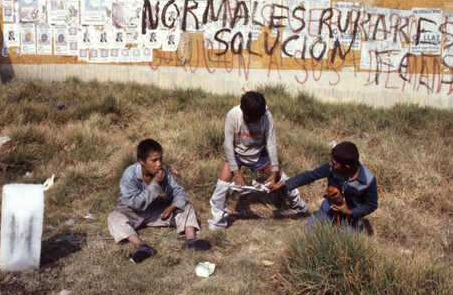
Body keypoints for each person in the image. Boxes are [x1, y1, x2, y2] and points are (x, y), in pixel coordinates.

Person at [208, 91, 309, 230]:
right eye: (252, 119)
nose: (255, 121)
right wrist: (236, 172)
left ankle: (299, 207)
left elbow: (271, 143)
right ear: (245, 113)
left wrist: (274, 172)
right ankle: (218, 222)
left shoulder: (266, 115)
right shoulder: (233, 115)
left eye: (258, 118)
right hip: (237, 154)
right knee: (221, 187)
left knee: (281, 177)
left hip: (259, 153)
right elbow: (228, 145)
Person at [108, 139, 210, 263]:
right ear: (141, 161)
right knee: (114, 217)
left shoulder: (162, 172)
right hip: (132, 211)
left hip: (153, 210)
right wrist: (155, 183)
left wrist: (171, 207)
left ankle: (191, 240)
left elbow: (180, 193)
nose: (159, 164)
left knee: (187, 207)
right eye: (154, 160)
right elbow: (136, 204)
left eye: (160, 159)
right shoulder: (130, 175)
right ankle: (141, 246)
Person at [267, 141, 378, 232]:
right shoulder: (331, 168)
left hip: (350, 215)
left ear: (347, 167)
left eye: (334, 163)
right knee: (310, 235)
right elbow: (310, 176)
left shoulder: (368, 180)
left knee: (345, 247)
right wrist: (283, 184)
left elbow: (371, 205)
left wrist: (349, 212)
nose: (330, 164)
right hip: (328, 209)